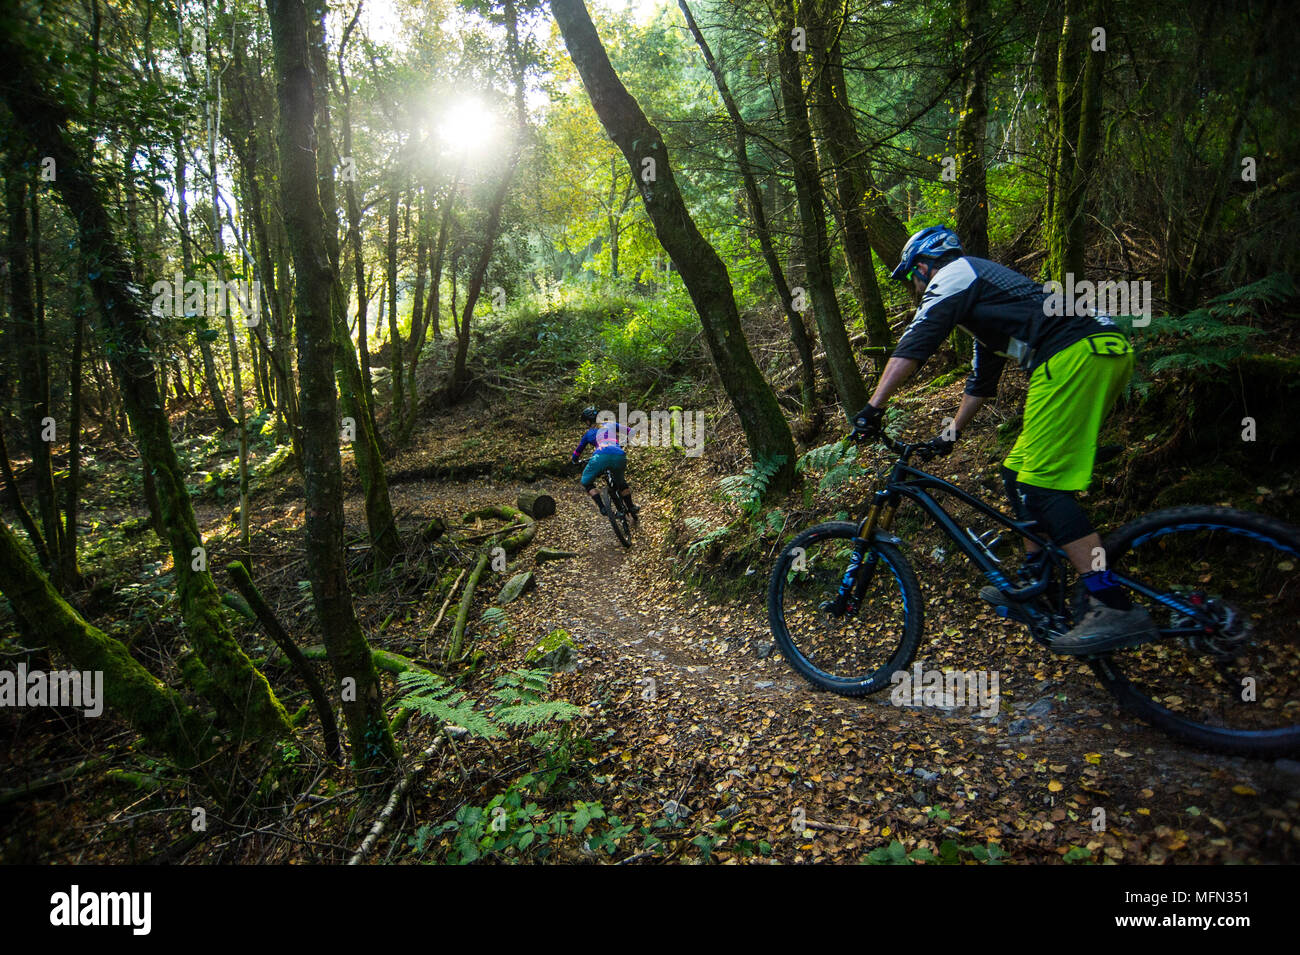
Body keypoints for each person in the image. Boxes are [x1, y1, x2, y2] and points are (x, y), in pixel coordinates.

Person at [848, 225, 1153, 654]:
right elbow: (981, 383)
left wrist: (873, 407)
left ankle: (1111, 603)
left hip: (1074, 354)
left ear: (925, 265)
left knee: (1042, 488)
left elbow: (916, 342)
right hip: (1096, 351)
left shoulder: (955, 273)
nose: (914, 288)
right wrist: (949, 435)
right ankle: (1036, 578)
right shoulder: (986, 305)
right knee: (1015, 472)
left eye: (912, 277)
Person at [572, 406, 639, 520]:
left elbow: (577, 452)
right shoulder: (611, 424)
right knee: (621, 482)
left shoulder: (588, 434)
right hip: (619, 455)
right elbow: (631, 431)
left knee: (586, 481)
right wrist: (624, 442)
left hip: (600, 457)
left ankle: (603, 508)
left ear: (588, 421)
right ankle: (631, 506)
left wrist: (575, 460)